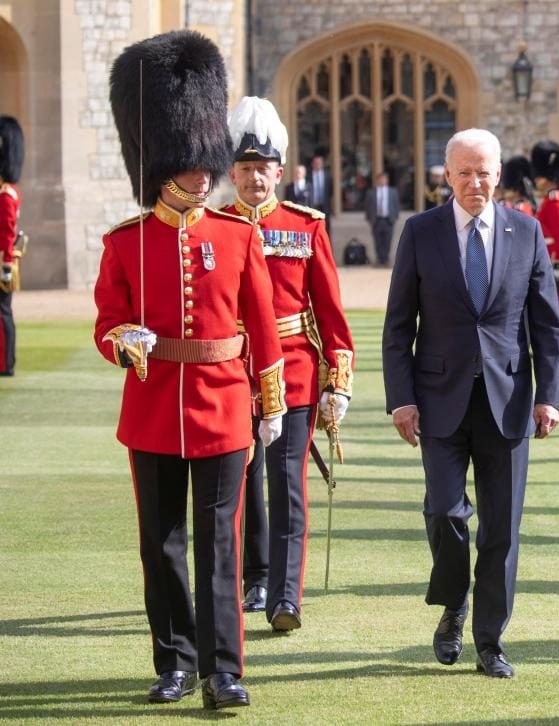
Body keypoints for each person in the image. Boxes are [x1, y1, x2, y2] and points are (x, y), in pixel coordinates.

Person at [96, 30, 285, 710]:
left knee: (219, 547)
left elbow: (262, 325)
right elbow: (106, 319)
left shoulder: (237, 236)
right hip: (152, 407)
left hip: (226, 407)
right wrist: (125, 340)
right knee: (162, 546)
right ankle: (172, 660)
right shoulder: (126, 242)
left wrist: (272, 401)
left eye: (210, 164)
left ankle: (223, 670)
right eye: (193, 164)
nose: (206, 175)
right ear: (164, 162)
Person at [383, 128, 559, 679]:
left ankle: (490, 641)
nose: (474, 181)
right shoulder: (420, 232)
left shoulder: (527, 231)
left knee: (501, 529)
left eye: (483, 171)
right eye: (464, 171)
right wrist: (401, 400)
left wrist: (550, 397)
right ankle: (454, 599)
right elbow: (398, 327)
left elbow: (547, 325)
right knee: (443, 512)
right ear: (447, 175)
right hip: (438, 400)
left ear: (499, 174)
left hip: (508, 400)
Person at [222, 96, 355, 629]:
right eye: (247, 168)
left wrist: (337, 382)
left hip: (296, 370)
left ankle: (284, 595)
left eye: (264, 169)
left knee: (287, 483)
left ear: (281, 171)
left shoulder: (306, 226)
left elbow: (330, 312)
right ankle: (252, 578)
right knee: (240, 484)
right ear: (232, 171)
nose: (256, 178)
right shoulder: (214, 224)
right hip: (232, 372)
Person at [531, 140, 559, 362]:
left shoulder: (555, 200)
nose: (536, 179)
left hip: (555, 262)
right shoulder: (549, 198)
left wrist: (558, 260)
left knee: (557, 310)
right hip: (549, 260)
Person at [0, 115, 24, 375]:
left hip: (3, 261)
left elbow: (6, 232)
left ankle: (5, 363)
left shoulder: (6, 194)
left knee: (2, 312)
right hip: (4, 259)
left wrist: (5, 264)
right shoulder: (7, 190)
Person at [365, 171, 400, 266]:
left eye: (384, 179)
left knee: (388, 241)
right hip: (376, 220)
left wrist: (395, 217)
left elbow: (396, 205)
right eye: (380, 179)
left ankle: (386, 260)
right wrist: (369, 219)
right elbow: (368, 207)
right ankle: (379, 260)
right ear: (377, 180)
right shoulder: (371, 192)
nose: (382, 181)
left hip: (388, 220)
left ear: (387, 180)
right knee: (377, 241)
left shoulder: (393, 192)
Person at [309, 154, 332, 233]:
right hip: (313, 206)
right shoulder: (308, 177)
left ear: (322, 164)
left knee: (326, 228)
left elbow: (331, 191)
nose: (318, 165)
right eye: (316, 163)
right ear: (312, 164)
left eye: (319, 163)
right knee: (313, 227)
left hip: (324, 205)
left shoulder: (328, 176)